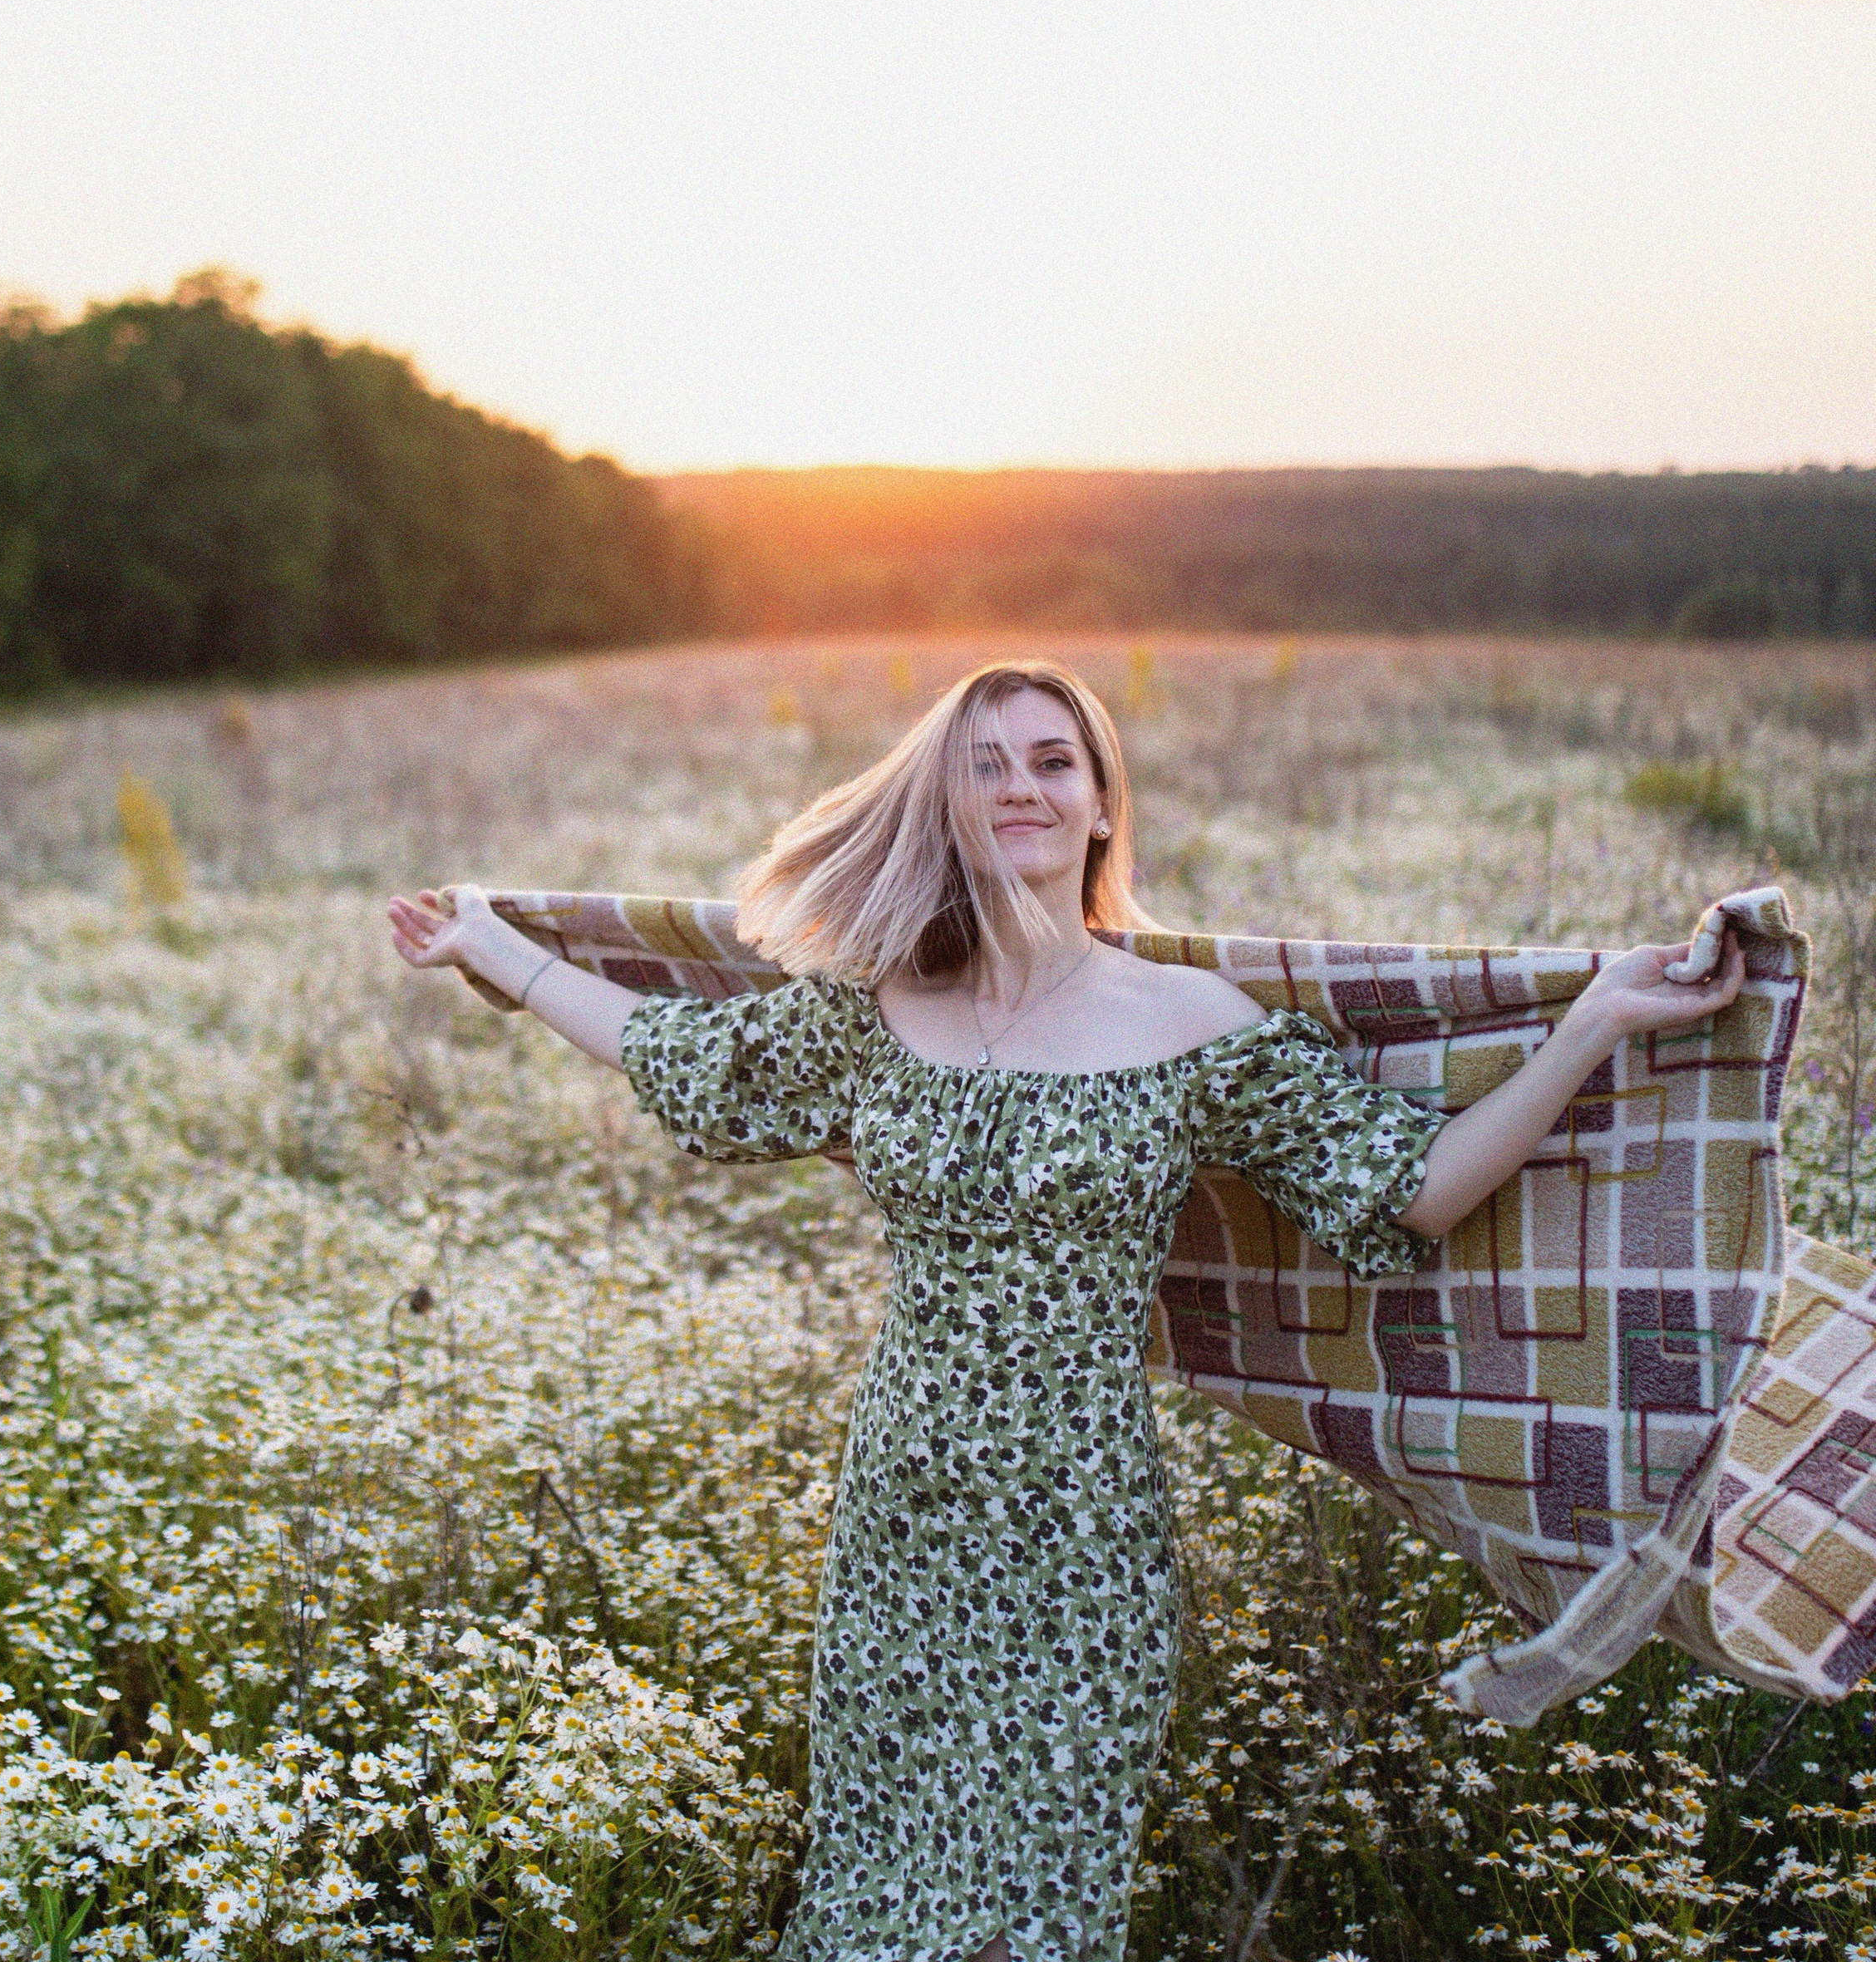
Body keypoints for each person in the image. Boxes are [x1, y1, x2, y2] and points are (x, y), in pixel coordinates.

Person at [387, 658, 1744, 1962]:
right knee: (877, 1899)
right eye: (986, 767)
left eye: (1052, 761)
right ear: (947, 804)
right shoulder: (875, 1009)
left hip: (1079, 1525)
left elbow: (1411, 1191)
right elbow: (678, 1056)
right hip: (904, 1515)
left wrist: (1592, 1026)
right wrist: (492, 947)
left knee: (1031, 1913)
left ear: (1101, 803)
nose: (1021, 788)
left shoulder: (1186, 1018)